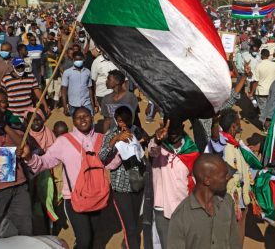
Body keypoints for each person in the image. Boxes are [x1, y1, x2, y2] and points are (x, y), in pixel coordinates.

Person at [19, 107, 110, 249]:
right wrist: (30, 157)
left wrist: (117, 146)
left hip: (97, 197)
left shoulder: (102, 139)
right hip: (74, 199)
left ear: (92, 117)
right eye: (78, 117)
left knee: (92, 238)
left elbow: (112, 163)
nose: (82, 119)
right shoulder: (64, 141)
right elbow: (45, 162)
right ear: (73, 121)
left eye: (86, 116)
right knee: (84, 240)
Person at [166, 153, 241, 249]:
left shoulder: (227, 202)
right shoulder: (180, 217)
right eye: (223, 176)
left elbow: (234, 241)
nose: (228, 178)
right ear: (207, 181)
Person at [99, 106, 147, 249]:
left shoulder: (136, 131)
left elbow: (145, 150)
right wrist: (116, 140)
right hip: (121, 187)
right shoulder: (110, 134)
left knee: (135, 222)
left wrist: (141, 142)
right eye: (120, 121)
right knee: (130, 227)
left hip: (137, 184)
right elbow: (101, 157)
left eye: (126, 121)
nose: (123, 125)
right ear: (116, 120)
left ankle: (127, 245)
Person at [148, 119, 200, 248]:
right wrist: (157, 139)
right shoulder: (158, 147)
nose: (172, 132)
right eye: (169, 128)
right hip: (163, 207)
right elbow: (152, 151)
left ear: (182, 126)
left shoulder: (192, 150)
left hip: (185, 209)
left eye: (175, 128)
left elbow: (196, 181)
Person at [206, 109, 253, 244]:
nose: (240, 125)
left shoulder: (235, 143)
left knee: (239, 225)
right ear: (233, 126)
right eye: (238, 122)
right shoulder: (221, 142)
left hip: (240, 195)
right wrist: (214, 122)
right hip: (226, 197)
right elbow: (215, 138)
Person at [0, 101, 32, 237]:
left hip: (18, 186)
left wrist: (4, 124)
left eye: (2, 102)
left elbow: (21, 143)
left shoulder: (14, 125)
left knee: (25, 226)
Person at [61, 51, 97, 117]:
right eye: (76, 60)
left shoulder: (87, 72)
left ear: (83, 59)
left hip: (86, 103)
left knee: (90, 121)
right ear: (73, 60)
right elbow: (63, 90)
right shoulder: (67, 72)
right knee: (76, 123)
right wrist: (64, 106)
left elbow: (90, 89)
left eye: (80, 59)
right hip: (73, 104)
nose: (78, 61)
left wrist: (93, 105)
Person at [247, 48, 275, 114]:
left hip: (261, 92)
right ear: (268, 55)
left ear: (261, 55)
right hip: (272, 91)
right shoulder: (274, 65)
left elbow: (256, 81)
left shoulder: (258, 65)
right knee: (270, 109)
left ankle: (264, 123)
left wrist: (251, 93)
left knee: (263, 110)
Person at [41, 42, 62, 109]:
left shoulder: (56, 55)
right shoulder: (44, 55)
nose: (55, 47)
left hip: (57, 75)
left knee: (57, 91)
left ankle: (55, 105)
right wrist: (42, 75)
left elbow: (60, 65)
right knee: (49, 91)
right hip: (48, 76)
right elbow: (42, 66)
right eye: (53, 46)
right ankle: (50, 103)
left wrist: (63, 73)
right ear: (49, 47)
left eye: (55, 46)